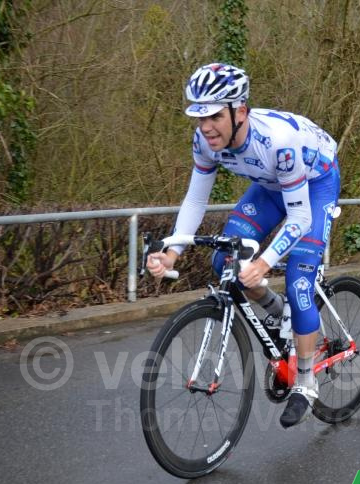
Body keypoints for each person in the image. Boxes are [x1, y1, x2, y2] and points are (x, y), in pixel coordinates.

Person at [146, 63, 341, 428]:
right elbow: (194, 201)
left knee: (300, 281)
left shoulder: (277, 143)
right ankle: (274, 307)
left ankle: (306, 381)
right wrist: (172, 250)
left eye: (215, 116)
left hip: (315, 186)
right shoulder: (204, 141)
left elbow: (299, 219)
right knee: (226, 262)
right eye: (199, 118)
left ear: (240, 111)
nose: (206, 127)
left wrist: (265, 264)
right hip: (270, 189)